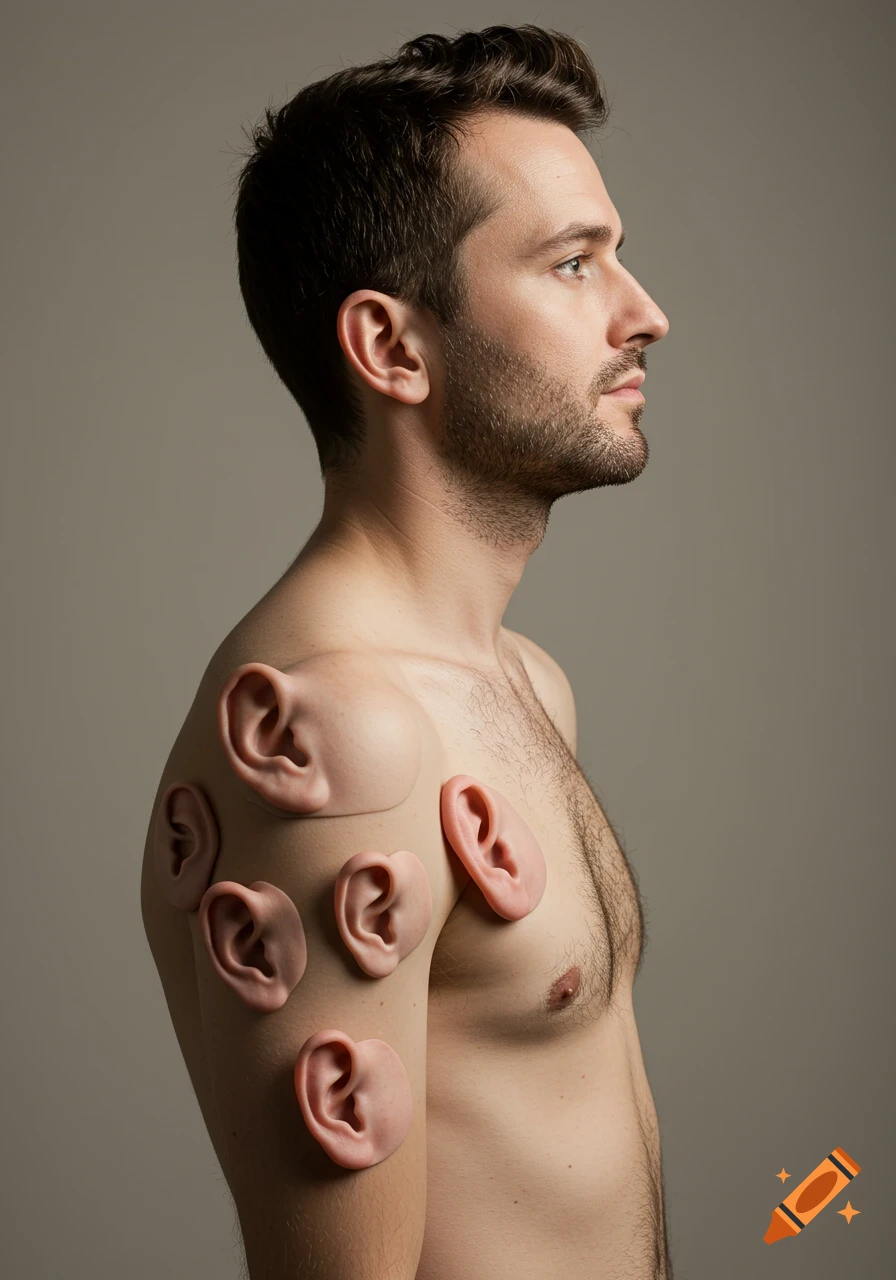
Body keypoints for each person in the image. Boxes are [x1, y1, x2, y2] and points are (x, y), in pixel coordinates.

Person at [141, 23, 672, 1280]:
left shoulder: (521, 680)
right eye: (569, 264)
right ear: (391, 347)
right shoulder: (337, 738)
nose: (644, 313)